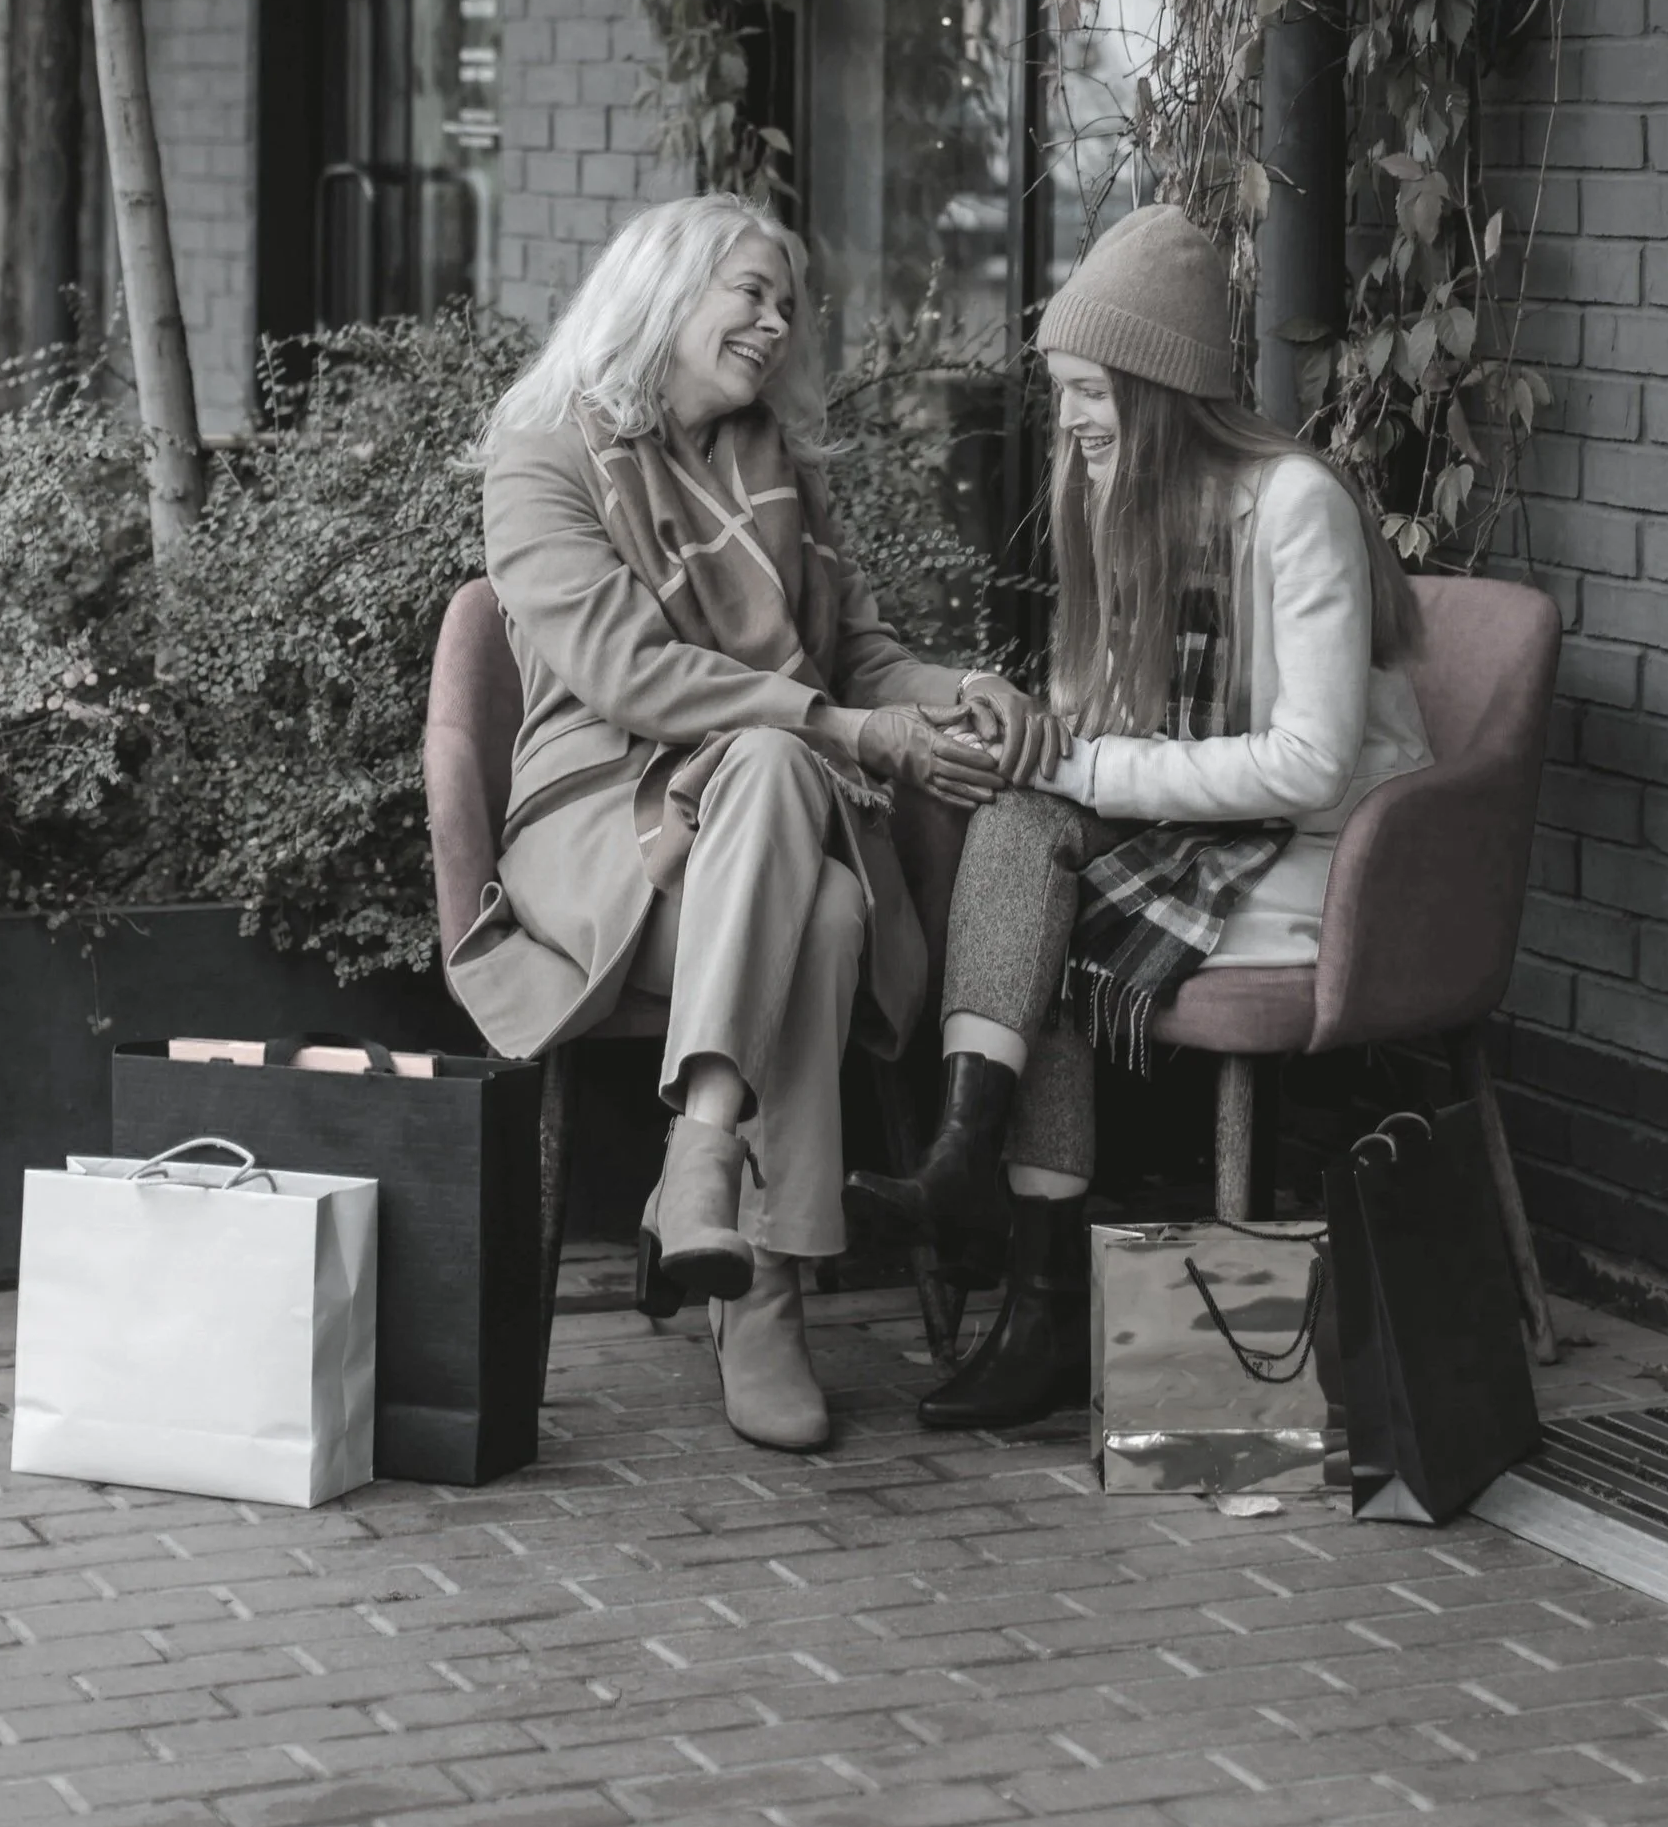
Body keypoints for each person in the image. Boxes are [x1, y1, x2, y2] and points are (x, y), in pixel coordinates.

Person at [452, 195, 1057, 1452]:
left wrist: (962, 690)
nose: (775, 323)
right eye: (749, 292)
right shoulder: (542, 453)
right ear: (663, 291)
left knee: (817, 875)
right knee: (808, 838)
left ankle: (706, 1167)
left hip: (752, 838)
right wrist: (837, 729)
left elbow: (863, 656)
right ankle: (771, 1288)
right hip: (597, 817)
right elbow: (629, 674)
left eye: (786, 304)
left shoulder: (781, 467)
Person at [851, 203, 1430, 1431]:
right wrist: (1025, 738)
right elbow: (1098, 716)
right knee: (1017, 829)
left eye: (1088, 392)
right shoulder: (1121, 498)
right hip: (1193, 833)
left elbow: (1311, 764)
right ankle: (999, 1217)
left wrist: (1088, 773)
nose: (1065, 420)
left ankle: (1024, 1264)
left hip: (1324, 861)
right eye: (1060, 390)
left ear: (1161, 389)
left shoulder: (1294, 506)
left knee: (1046, 905)